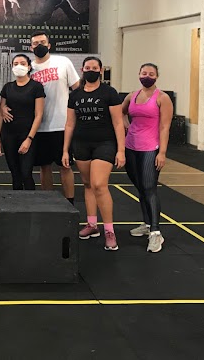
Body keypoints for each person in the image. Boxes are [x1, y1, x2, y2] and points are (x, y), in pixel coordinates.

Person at [2, 32, 79, 202]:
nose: (39, 45)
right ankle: (47, 203)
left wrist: (75, 116)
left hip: (61, 124)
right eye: (35, 43)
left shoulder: (63, 62)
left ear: (49, 45)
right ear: (31, 47)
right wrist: (4, 106)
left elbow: (78, 90)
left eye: (42, 42)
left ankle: (70, 202)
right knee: (44, 167)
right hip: (38, 127)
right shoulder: (30, 68)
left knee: (65, 165)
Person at [62, 57, 125, 251]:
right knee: (88, 184)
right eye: (87, 67)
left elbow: (118, 123)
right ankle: (92, 224)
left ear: (100, 70)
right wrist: (65, 150)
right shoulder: (75, 95)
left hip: (104, 143)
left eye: (94, 68)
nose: (91, 70)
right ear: (82, 70)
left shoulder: (109, 93)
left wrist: (121, 150)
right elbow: (70, 124)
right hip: (81, 143)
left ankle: (109, 231)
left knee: (99, 184)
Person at [122, 63, 173, 253]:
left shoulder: (162, 98)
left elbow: (165, 127)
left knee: (149, 188)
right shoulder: (132, 95)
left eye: (151, 74)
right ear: (139, 74)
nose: (147, 76)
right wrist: (127, 126)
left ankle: (156, 232)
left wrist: (162, 153)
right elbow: (121, 112)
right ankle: (147, 223)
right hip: (130, 146)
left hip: (150, 148)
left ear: (157, 77)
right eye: (144, 73)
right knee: (141, 188)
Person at [0, 54, 45, 190]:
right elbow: (1, 113)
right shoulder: (7, 87)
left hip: (27, 134)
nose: (19, 66)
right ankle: (16, 202)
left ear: (29, 67)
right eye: (15, 64)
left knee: (26, 173)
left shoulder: (36, 87)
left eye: (22, 63)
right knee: (15, 174)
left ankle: (31, 201)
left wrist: (29, 139)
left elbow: (39, 115)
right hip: (8, 135)